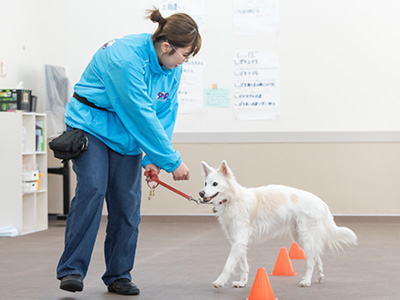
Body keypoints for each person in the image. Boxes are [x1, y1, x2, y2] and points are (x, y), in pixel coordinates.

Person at [56, 7, 201, 295]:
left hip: (127, 135)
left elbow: (165, 111)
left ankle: (119, 274)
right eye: (184, 54)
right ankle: (72, 270)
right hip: (92, 126)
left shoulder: (172, 68)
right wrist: (172, 161)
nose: (184, 62)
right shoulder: (124, 58)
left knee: (127, 203)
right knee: (93, 189)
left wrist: (154, 160)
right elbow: (139, 112)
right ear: (166, 46)